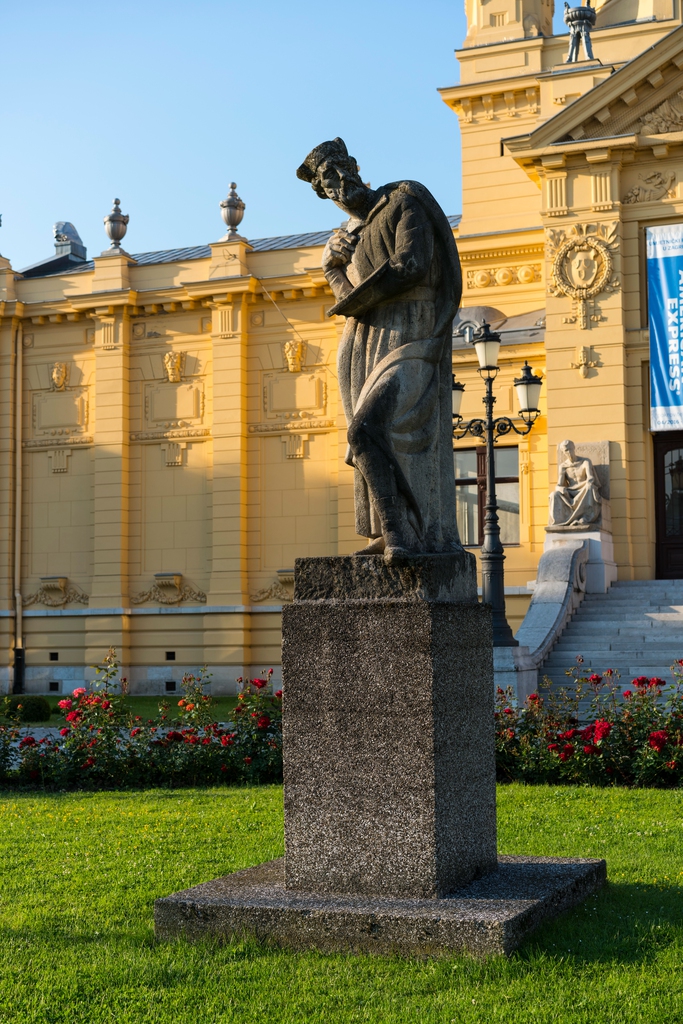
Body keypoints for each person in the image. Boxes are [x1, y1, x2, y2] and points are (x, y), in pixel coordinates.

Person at [296, 138, 463, 561]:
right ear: (322, 194)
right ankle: (391, 532)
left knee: (366, 430)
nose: (335, 185)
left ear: (353, 166)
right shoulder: (347, 238)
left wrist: (353, 296)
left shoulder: (403, 200)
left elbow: (413, 263)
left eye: (337, 172)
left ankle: (401, 535)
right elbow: (349, 295)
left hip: (412, 334)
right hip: (364, 342)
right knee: (371, 435)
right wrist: (331, 267)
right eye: (325, 183)